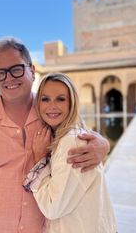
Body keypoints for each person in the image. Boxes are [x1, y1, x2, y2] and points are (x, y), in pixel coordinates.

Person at [0, 37, 110, 233]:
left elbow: (79, 132)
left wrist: (103, 144)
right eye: (0, 73)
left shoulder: (51, 112)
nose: (9, 78)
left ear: (32, 71)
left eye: (16, 69)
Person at [23, 73, 117, 233]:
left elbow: (52, 207)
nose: (52, 106)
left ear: (71, 103)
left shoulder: (72, 142)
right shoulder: (65, 137)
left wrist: (39, 160)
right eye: (45, 99)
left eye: (60, 99)